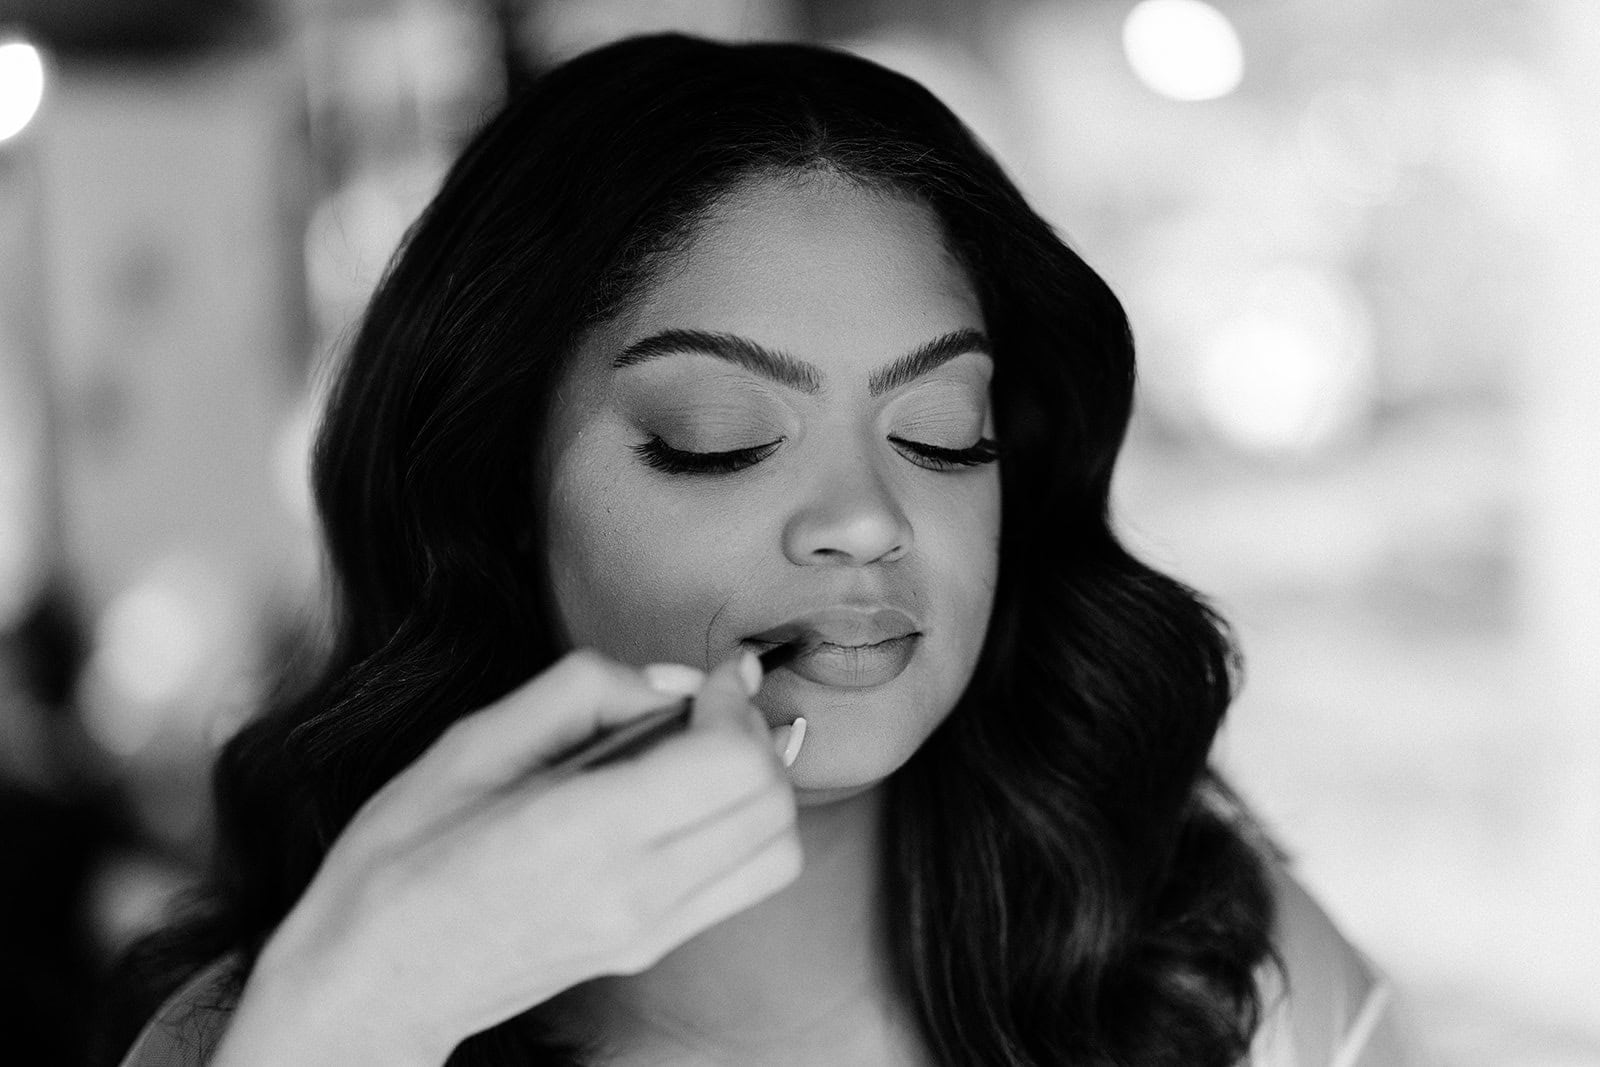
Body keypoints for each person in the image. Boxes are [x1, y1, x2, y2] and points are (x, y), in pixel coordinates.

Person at [107, 33, 1415, 1067]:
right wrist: (374, 1005)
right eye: (715, 437)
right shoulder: (274, 1034)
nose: (865, 518)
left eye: (942, 432)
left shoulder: (1218, 973)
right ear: (499, 496)